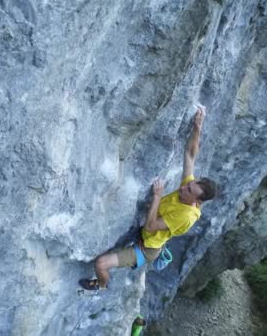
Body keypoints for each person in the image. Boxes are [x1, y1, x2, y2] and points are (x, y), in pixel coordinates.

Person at [79, 104, 217, 291]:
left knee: (101, 264)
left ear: (196, 201)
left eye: (188, 190)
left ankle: (101, 285)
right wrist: (197, 128)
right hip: (145, 235)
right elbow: (190, 155)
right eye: (188, 184)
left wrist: (157, 196)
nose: (183, 187)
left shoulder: (185, 215)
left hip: (147, 249)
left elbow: (151, 226)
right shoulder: (189, 190)